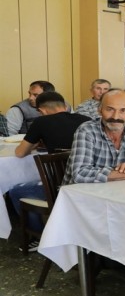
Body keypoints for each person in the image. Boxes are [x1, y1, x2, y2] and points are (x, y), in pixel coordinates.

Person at [11, 92, 89, 244]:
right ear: (65, 106)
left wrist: (35, 142)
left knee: (16, 191)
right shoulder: (86, 120)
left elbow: (20, 153)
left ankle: (39, 237)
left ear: (42, 110)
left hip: (61, 185)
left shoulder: (41, 122)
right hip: (88, 182)